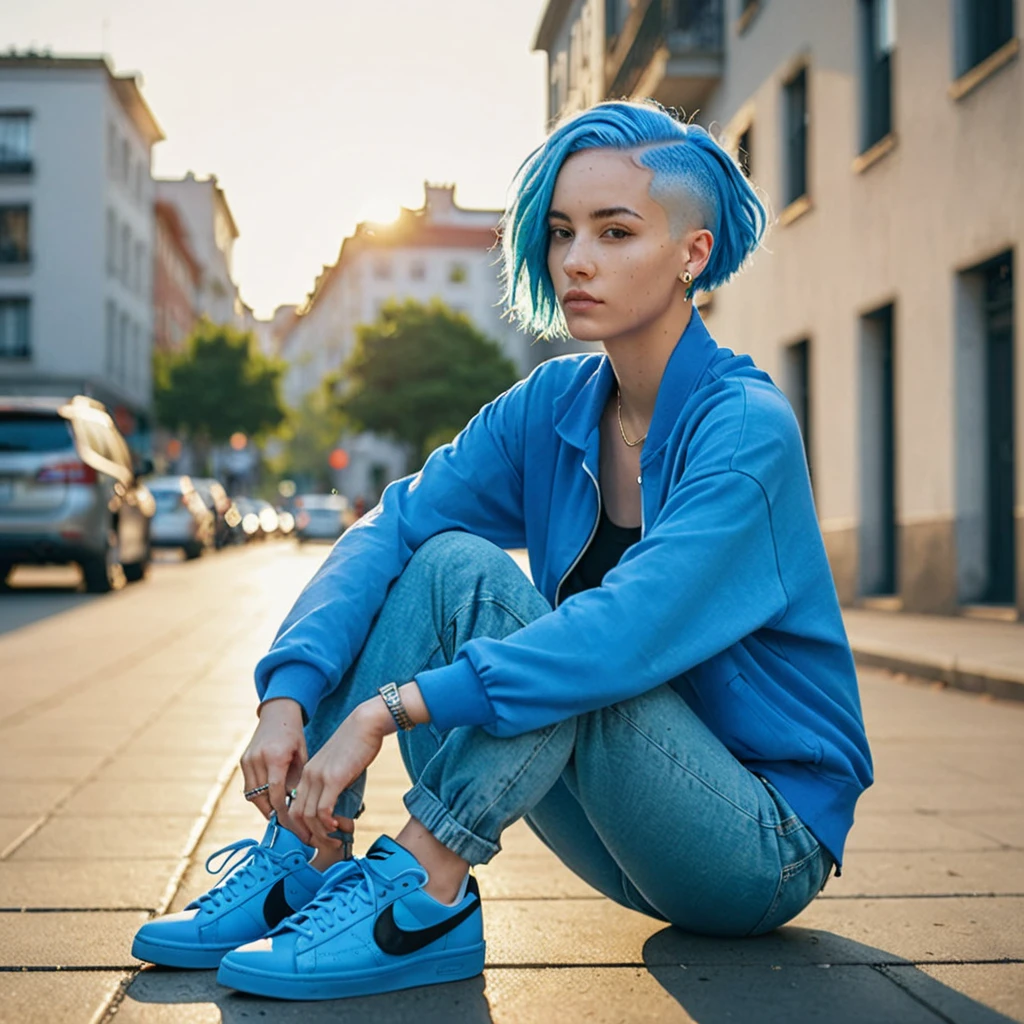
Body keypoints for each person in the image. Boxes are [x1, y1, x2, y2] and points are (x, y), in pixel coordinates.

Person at [132, 100, 873, 1001]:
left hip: (758, 842)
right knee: (440, 558)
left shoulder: (746, 429)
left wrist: (393, 709)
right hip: (625, 824)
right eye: (561, 232)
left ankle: (427, 887)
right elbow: (392, 523)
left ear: (693, 253)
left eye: (615, 231)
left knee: (509, 606)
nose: (576, 260)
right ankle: (306, 851)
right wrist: (288, 693)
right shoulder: (553, 405)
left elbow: (620, 636)